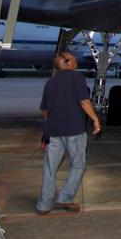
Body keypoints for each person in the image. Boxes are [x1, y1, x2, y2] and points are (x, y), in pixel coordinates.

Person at [37, 51, 101, 214]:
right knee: (78, 165)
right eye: (73, 58)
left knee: (50, 168)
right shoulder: (76, 78)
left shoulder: (50, 82)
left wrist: (48, 127)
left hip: (53, 131)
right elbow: (84, 101)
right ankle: (65, 198)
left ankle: (44, 205)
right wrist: (95, 118)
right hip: (74, 130)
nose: (75, 60)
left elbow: (44, 111)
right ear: (68, 62)